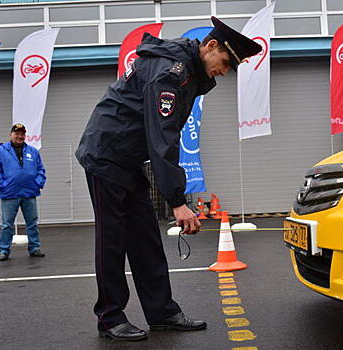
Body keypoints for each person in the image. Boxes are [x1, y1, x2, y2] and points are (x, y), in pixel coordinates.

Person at [75, 16, 261, 341]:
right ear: (211, 46)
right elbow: (163, 137)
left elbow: (162, 136)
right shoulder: (170, 74)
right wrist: (177, 201)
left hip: (126, 156)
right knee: (112, 240)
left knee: (145, 236)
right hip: (105, 153)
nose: (226, 70)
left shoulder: (186, 71)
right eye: (226, 62)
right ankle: (110, 318)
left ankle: (162, 312)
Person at [0, 123, 46, 261]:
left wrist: (38, 183)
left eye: (22, 134)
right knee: (7, 224)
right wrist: (1, 185)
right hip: (9, 193)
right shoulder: (1, 151)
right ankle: (4, 250)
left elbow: (41, 170)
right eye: (17, 133)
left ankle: (34, 248)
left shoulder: (33, 152)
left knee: (32, 223)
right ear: (11, 135)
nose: (20, 136)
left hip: (29, 193)